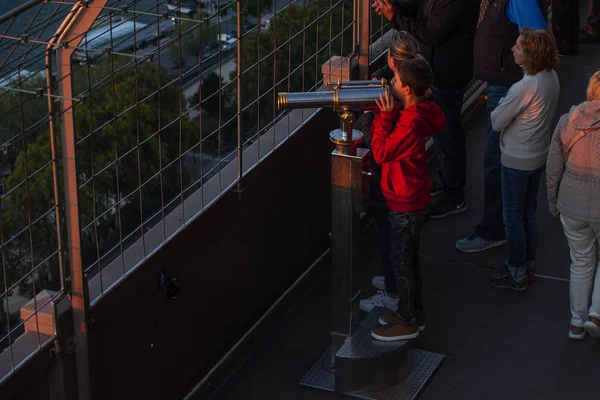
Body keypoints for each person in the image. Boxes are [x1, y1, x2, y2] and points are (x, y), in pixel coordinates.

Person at [456, 0, 550, 253]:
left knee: (496, 159)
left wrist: (528, 80)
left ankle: (495, 230)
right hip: (504, 82)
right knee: (497, 160)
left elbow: (539, 37)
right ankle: (508, 230)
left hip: (507, 85)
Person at [372, 0, 479, 219]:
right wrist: (395, 8)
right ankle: (448, 181)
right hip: (440, 70)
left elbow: (430, 33)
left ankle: (455, 196)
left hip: (447, 73)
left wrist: (395, 17)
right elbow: (422, 8)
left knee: (448, 135)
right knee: (443, 134)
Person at [368, 55, 446, 341]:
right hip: (412, 197)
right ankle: (413, 311)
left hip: (405, 202)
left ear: (408, 90)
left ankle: (407, 320)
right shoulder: (419, 112)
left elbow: (381, 152)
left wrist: (384, 116)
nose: (391, 85)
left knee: (402, 263)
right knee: (408, 261)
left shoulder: (409, 123)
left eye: (396, 82)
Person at [487, 28, 559, 291]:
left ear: (530, 54)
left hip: (517, 157)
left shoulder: (523, 87)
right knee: (529, 212)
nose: (513, 49)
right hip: (538, 154)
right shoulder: (551, 78)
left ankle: (516, 270)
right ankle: (527, 262)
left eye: (518, 46)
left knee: (512, 216)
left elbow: (496, 121)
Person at [357, 31, 423, 314]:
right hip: (405, 186)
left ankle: (396, 298)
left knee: (391, 239)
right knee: (401, 245)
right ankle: (395, 283)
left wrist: (373, 115)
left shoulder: (398, 107)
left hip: (393, 185)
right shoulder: (418, 91)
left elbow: (379, 147)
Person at [546, 71, 600, 339]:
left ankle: (576, 323)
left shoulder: (569, 121)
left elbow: (554, 166)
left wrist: (553, 200)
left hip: (571, 203)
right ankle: (596, 314)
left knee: (580, 261)